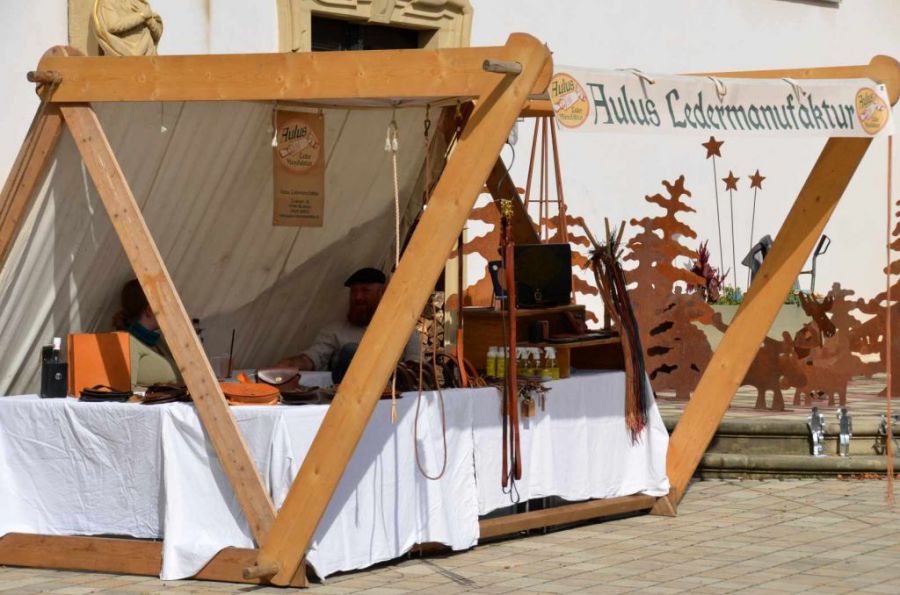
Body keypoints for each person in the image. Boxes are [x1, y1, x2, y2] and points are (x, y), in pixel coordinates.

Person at [278, 267, 420, 383]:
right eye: (354, 291)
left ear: (382, 294)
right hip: (342, 398)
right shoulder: (334, 331)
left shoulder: (404, 330)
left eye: (365, 291)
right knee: (349, 351)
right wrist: (288, 365)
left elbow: (415, 368)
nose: (358, 297)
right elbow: (313, 357)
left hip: (390, 399)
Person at [112, 278, 180, 390]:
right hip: (153, 402)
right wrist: (156, 394)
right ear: (149, 310)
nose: (167, 311)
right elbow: (124, 390)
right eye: (163, 305)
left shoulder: (157, 341)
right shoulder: (125, 341)